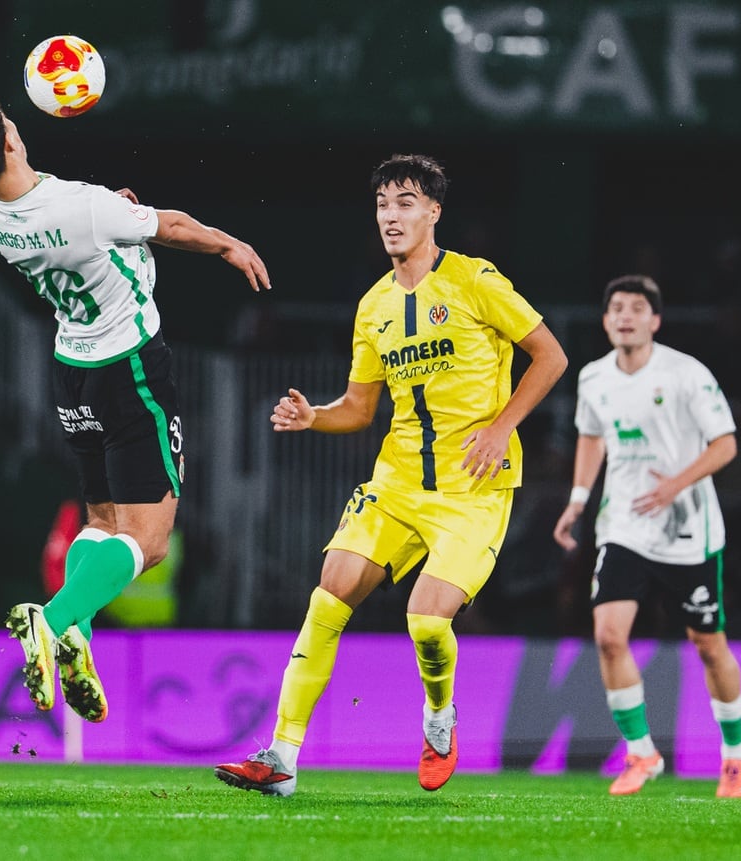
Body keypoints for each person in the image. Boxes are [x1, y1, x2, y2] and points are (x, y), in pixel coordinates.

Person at [214, 154, 567, 796]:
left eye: (405, 203)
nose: (391, 217)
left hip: (473, 487)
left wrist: (501, 427)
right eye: (382, 205)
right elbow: (359, 408)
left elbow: (551, 356)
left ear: (434, 212)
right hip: (398, 482)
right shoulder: (373, 305)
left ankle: (439, 717)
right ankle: (282, 757)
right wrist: (314, 417)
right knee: (331, 590)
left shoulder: (476, 280)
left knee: (426, 621)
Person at [0, 88, 270, 723]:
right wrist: (227, 244)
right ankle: (53, 619)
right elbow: (171, 226)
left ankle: (76, 634)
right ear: (8, 140)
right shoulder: (80, 207)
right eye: (6, 119)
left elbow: (82, 230)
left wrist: (114, 214)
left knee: (102, 520)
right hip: (130, 367)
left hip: (73, 371)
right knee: (151, 540)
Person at [551, 274, 741, 798]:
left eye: (637, 308)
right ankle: (641, 752)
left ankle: (735, 754)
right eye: (616, 307)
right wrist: (577, 500)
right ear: (605, 320)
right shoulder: (594, 377)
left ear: (655, 320)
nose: (625, 316)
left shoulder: (686, 374)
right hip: (624, 525)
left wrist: (674, 486)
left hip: (687, 530)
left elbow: (726, 444)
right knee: (608, 637)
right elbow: (591, 437)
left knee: (708, 646)